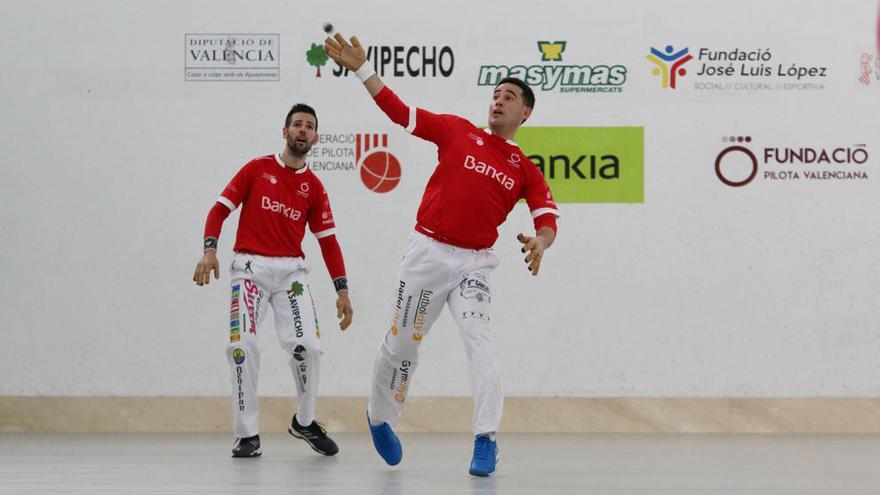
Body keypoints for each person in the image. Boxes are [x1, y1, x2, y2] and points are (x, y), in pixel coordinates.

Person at [324, 33, 559, 477]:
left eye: (508, 97)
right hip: (428, 254)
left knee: (481, 347)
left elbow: (548, 219)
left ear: (525, 112)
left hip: (475, 264)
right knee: (402, 346)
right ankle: (380, 417)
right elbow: (399, 112)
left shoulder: (525, 170)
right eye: (494, 95)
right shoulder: (456, 130)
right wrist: (362, 70)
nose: (497, 102)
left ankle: (486, 439)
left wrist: (540, 243)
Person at [192, 103, 353, 458]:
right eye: (296, 124)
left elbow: (328, 241)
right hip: (249, 270)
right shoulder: (256, 169)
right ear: (285, 132)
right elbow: (218, 210)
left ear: (316, 137)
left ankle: (305, 421)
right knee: (240, 347)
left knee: (308, 347)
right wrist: (209, 250)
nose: (302, 130)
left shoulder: (314, 187)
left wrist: (342, 291)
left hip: (291, 274)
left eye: (309, 126)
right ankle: (247, 435)